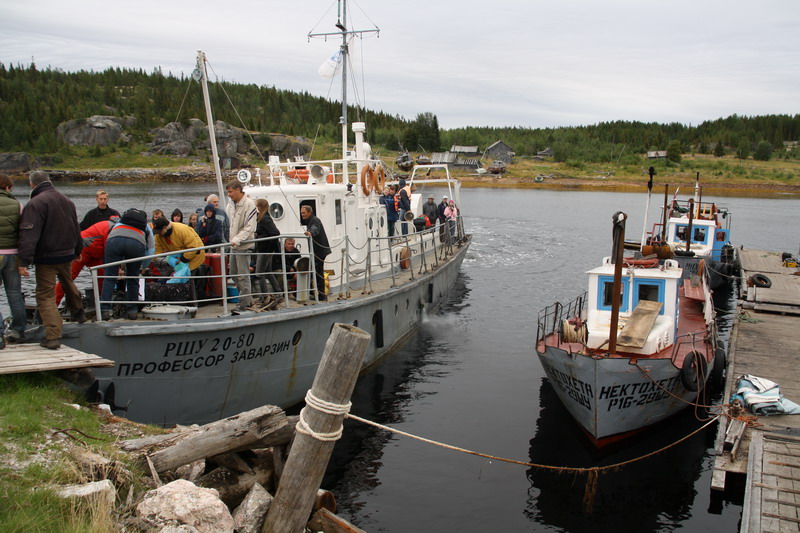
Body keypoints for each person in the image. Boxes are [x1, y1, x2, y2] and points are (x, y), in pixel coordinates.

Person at [17, 171, 85, 349]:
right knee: (68, 283)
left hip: (47, 257)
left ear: (32, 185)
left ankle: (53, 335)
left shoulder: (36, 203)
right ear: (48, 181)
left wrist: (23, 261)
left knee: (45, 295)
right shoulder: (67, 200)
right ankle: (79, 312)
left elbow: (29, 234)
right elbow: (75, 227)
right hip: (67, 252)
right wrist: (78, 249)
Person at [100, 209, 154, 321]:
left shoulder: (119, 222)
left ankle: (104, 310)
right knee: (132, 278)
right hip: (136, 244)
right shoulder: (146, 226)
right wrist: (144, 266)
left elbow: (109, 235)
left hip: (114, 241)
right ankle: (132, 311)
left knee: (109, 277)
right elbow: (151, 249)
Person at [55, 216, 119, 304]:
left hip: (95, 253)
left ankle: (101, 304)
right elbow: (110, 250)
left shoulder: (114, 227)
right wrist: (118, 268)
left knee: (102, 278)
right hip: (82, 250)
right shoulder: (111, 229)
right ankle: (53, 304)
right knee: (68, 277)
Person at [0, 175, 26, 347]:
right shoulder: (18, 206)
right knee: (14, 293)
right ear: (8, 188)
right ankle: (18, 330)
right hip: (13, 255)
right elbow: (24, 232)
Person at [225, 182, 257, 310]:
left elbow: (250, 227)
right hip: (234, 245)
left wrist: (238, 239)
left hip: (244, 245)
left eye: (231, 192)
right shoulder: (231, 205)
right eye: (228, 192)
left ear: (238, 190)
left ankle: (244, 302)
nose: (229, 195)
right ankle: (247, 298)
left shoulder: (249, 204)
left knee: (243, 275)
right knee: (233, 272)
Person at [300, 205, 331, 301]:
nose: (302, 215)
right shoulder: (310, 220)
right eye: (301, 213)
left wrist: (310, 233)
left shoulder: (314, 220)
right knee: (317, 271)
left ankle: (321, 295)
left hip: (320, 251)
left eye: (303, 213)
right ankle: (318, 294)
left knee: (318, 272)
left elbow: (315, 228)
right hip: (317, 251)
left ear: (310, 212)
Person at [254, 198, 281, 300]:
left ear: (260, 207)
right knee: (268, 271)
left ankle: (264, 295)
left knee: (259, 273)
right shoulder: (262, 217)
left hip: (265, 249)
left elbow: (275, 232)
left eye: (257, 207)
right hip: (266, 248)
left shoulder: (265, 219)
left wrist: (265, 243)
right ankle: (278, 291)